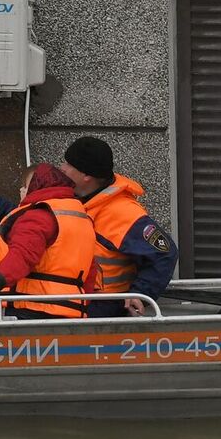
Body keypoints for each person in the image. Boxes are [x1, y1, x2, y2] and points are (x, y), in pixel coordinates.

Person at [60, 135, 178, 318]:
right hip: (76, 303)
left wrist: (140, 295)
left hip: (104, 311)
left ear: (86, 176)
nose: (62, 169)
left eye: (68, 165)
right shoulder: (75, 199)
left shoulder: (123, 213)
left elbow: (165, 253)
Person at [0, 162, 98, 317]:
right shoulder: (80, 217)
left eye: (26, 185)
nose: (21, 189)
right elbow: (91, 271)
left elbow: (23, 254)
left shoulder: (39, 215)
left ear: (38, 185)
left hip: (29, 308)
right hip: (71, 312)